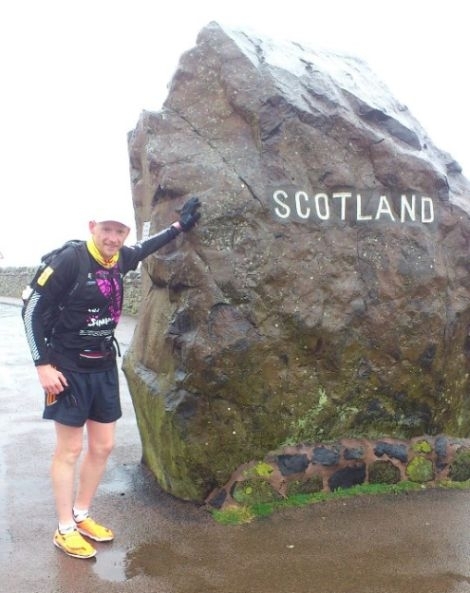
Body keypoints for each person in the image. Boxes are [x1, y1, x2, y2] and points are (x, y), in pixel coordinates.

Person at [22, 197, 201, 559]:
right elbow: (31, 311)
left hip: (102, 365)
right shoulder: (70, 260)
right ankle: (64, 528)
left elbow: (147, 247)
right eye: (107, 229)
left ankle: (82, 514)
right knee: (70, 449)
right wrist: (43, 366)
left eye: (120, 231)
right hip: (67, 368)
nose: (113, 238)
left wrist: (179, 227)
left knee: (103, 446)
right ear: (92, 227)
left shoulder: (121, 257)